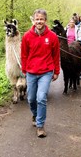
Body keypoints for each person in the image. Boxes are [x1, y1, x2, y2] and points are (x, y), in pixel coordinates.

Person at [21, 9, 60, 137]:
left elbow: (56, 55)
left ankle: (40, 125)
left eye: (41, 19)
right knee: (31, 98)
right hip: (31, 72)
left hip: (46, 71)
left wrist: (56, 71)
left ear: (45, 20)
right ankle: (35, 114)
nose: (39, 21)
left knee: (41, 97)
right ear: (34, 20)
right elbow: (24, 55)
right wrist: (24, 70)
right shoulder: (27, 36)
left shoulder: (52, 36)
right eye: (37, 19)